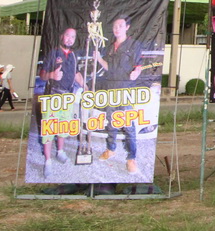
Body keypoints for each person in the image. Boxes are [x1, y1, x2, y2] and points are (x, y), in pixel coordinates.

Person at [92, 15, 144, 174]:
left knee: (128, 124)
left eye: (120, 26)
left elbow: (139, 65)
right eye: (115, 26)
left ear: (127, 27)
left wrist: (136, 72)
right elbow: (109, 68)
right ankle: (111, 149)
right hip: (111, 89)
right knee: (111, 121)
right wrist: (99, 59)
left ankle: (131, 158)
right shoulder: (110, 47)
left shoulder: (134, 45)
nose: (117, 29)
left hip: (126, 90)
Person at [38, 27, 84, 177]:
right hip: (52, 96)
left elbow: (76, 73)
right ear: (62, 36)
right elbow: (42, 74)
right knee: (49, 129)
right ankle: (47, 161)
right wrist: (52, 75)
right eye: (67, 36)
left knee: (63, 125)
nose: (70, 39)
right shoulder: (53, 53)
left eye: (73, 37)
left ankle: (60, 151)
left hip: (68, 97)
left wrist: (86, 86)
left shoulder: (73, 55)